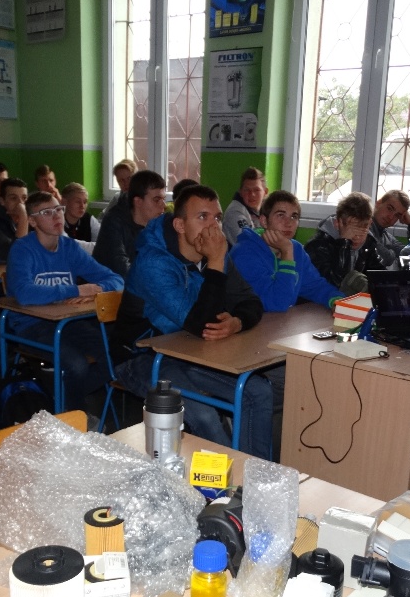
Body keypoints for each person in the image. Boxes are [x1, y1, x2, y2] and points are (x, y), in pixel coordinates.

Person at [112, 184, 274, 459]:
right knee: (203, 414)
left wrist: (237, 322)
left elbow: (251, 301)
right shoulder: (154, 263)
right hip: (141, 357)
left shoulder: (214, 253)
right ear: (179, 225)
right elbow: (201, 325)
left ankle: (253, 472)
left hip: (189, 351)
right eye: (202, 217)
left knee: (257, 391)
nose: (213, 227)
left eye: (217, 218)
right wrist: (216, 263)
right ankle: (227, 478)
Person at [5, 191, 123, 412]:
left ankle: (60, 400)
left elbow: (116, 279)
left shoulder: (69, 247)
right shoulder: (22, 249)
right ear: (32, 221)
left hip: (68, 323)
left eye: (58, 209)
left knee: (116, 357)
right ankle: (71, 411)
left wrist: (98, 288)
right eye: (47, 212)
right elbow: (24, 293)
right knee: (76, 365)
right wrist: (76, 289)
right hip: (31, 326)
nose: (57, 216)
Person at [230, 191, 341, 312]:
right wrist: (287, 253)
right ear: (264, 221)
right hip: (251, 322)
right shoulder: (244, 253)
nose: (289, 223)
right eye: (281, 215)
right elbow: (276, 304)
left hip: (281, 321)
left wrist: (336, 300)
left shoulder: (296, 249)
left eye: (294, 217)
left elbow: (315, 286)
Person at [92, 169, 166, 277]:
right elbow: (120, 267)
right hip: (105, 284)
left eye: (164, 199)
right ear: (138, 201)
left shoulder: (158, 224)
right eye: (156, 200)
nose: (163, 205)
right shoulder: (114, 221)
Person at [305, 192, 374, 292]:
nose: (357, 237)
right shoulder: (317, 247)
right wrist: (344, 243)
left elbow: (380, 279)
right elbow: (336, 284)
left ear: (370, 223)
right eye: (352, 231)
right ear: (338, 223)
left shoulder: (369, 243)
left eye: (363, 230)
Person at [221, 166, 266, 244]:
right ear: (240, 192)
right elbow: (247, 242)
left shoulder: (268, 210)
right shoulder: (235, 212)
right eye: (247, 190)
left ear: (265, 192)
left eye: (256, 190)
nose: (252, 194)